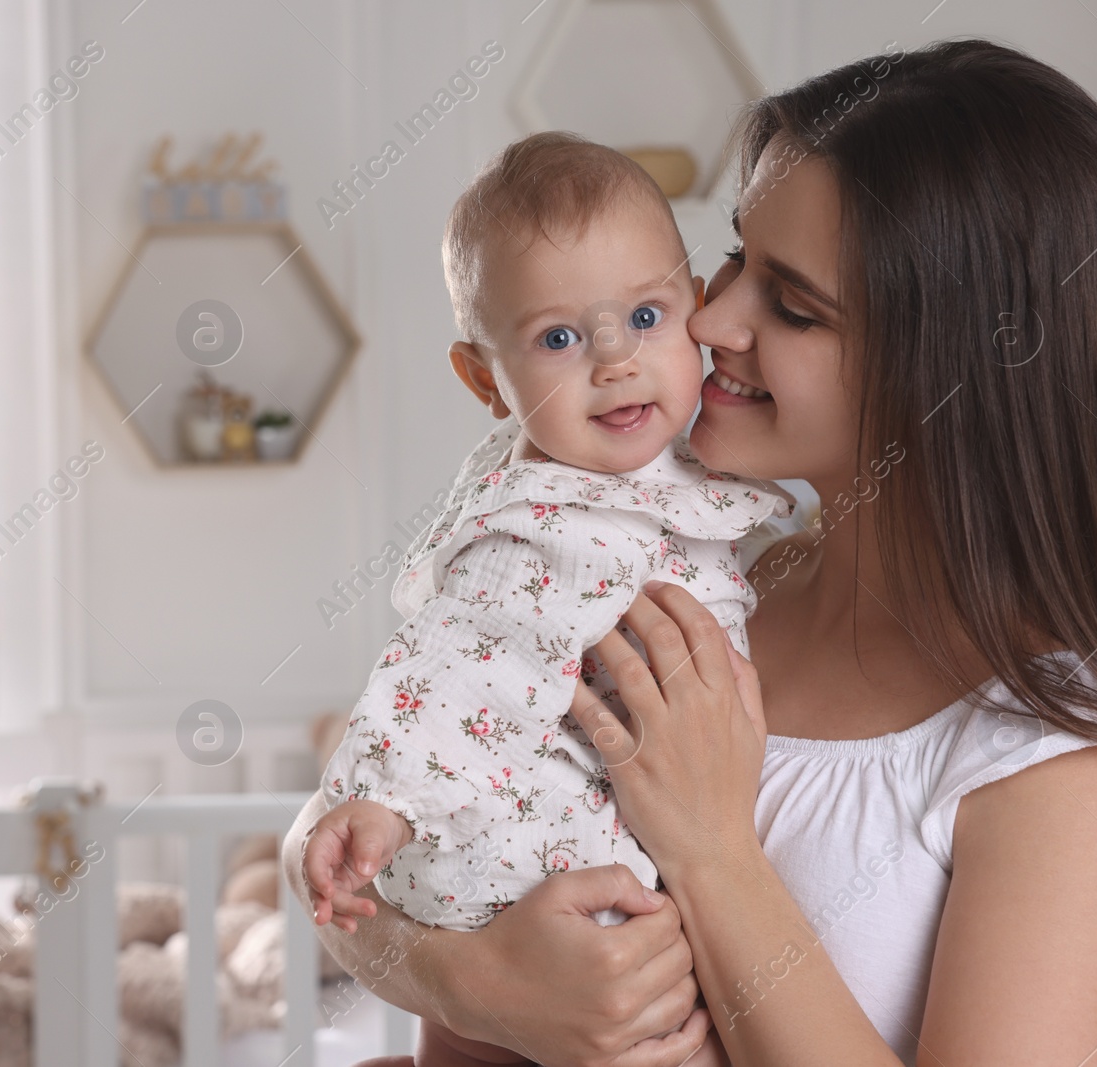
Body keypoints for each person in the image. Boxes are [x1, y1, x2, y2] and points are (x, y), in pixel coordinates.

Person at [282, 38, 1097, 1067]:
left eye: (793, 303)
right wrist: (479, 982)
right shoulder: (684, 575)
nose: (711, 317)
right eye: (732, 257)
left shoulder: (1064, 751)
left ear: (954, 366)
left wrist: (712, 849)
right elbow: (340, 839)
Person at [303, 131, 793, 1066]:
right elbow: (440, 674)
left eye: (646, 317)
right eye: (560, 338)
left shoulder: (690, 476)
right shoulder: (531, 529)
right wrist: (381, 804)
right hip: (529, 855)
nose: (614, 360)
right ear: (487, 379)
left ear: (691, 309)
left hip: (633, 854)